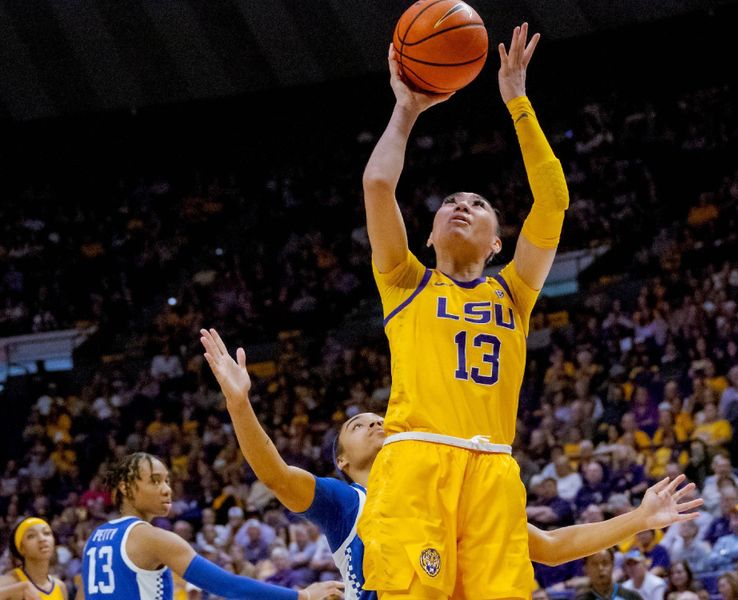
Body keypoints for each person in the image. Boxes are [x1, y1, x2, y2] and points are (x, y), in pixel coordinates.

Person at [201, 328, 703, 600]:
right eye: (359, 425)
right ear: (341, 460)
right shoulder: (344, 502)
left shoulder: (450, 490)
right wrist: (240, 404)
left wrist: (640, 519)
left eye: (381, 420)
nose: (376, 425)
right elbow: (274, 476)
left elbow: (549, 548)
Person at [359, 21, 570, 599]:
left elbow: (552, 202)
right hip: (417, 464)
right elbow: (378, 185)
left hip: (494, 471)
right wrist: (406, 110)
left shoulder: (515, 292)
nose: (461, 206)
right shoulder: (404, 281)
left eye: (478, 205)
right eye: (450, 202)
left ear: (497, 243)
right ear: (426, 236)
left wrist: (519, 103)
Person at [81, 452, 343, 600]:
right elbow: (228, 585)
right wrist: (303, 597)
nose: (166, 490)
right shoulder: (152, 538)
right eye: (155, 481)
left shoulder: (96, 537)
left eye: (167, 481)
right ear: (126, 488)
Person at [0, 517, 68, 600]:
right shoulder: (10, 581)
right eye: (31, 536)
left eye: (46, 533)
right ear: (21, 548)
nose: (42, 539)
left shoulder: (60, 586)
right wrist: (21, 587)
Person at [575, 549, 643, 600]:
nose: (600, 568)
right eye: (594, 564)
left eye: (605, 563)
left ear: (613, 565)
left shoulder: (631, 596)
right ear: (586, 568)